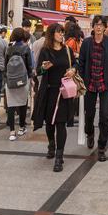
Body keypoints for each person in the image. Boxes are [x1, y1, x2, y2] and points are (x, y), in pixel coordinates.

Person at [77, 15, 108, 161]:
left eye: (101, 25)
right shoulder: (87, 43)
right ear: (93, 27)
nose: (98, 27)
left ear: (104, 27)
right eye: (96, 24)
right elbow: (81, 63)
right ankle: (89, 133)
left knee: (104, 116)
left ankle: (102, 147)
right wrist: (80, 78)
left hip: (106, 84)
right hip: (89, 84)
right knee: (89, 114)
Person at [32, 23, 77, 171]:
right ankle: (51, 143)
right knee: (50, 124)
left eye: (62, 32)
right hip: (49, 91)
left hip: (64, 92)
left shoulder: (67, 50)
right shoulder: (45, 51)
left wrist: (72, 70)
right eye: (58, 32)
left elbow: (75, 65)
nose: (61, 35)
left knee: (60, 124)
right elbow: (38, 71)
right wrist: (43, 68)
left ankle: (59, 157)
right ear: (52, 34)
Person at [4, 27, 34, 140]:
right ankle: (22, 128)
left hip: (10, 80)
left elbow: (5, 65)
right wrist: (31, 79)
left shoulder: (9, 48)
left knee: (11, 105)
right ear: (23, 36)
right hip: (23, 80)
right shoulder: (26, 48)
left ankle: (12, 132)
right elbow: (29, 66)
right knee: (22, 103)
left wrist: (6, 78)